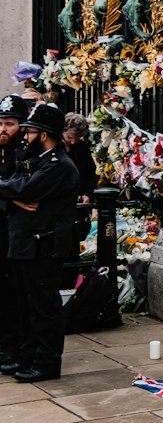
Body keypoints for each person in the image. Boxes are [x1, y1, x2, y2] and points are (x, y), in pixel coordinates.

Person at [0, 103, 80, 382]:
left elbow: (25, 188)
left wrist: (13, 192)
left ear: (44, 134)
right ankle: (27, 355)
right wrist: (12, 194)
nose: (25, 136)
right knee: (26, 306)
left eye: (30, 132)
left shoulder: (59, 165)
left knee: (44, 307)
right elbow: (12, 182)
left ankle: (46, 363)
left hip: (42, 246)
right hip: (24, 244)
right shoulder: (37, 159)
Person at [0, 94, 31, 366]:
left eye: (9, 124)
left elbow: (26, 188)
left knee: (14, 293)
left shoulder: (26, 151)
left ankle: (13, 347)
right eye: (1, 123)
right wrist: (8, 196)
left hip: (16, 232)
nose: (3, 129)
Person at [63, 112, 97, 244]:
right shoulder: (55, 146)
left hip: (78, 202)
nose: (73, 141)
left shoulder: (81, 147)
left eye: (77, 138)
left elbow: (90, 172)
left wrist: (87, 193)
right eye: (70, 137)